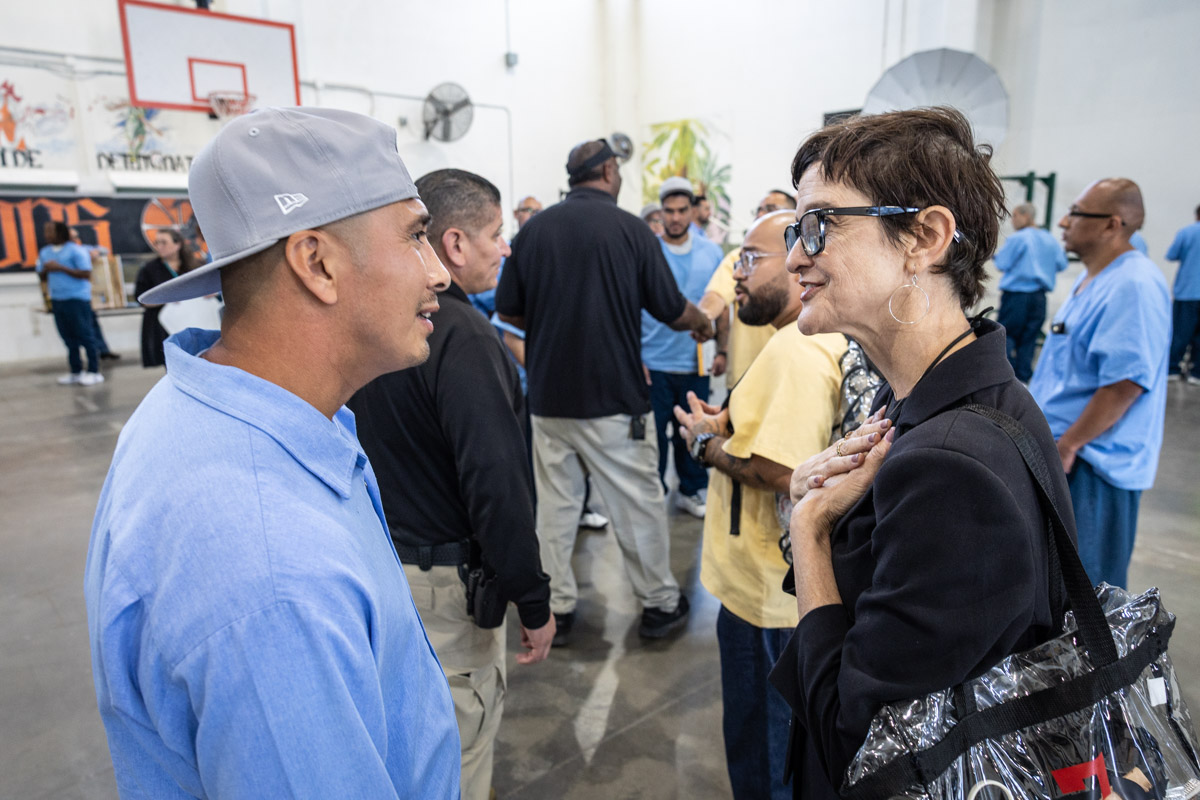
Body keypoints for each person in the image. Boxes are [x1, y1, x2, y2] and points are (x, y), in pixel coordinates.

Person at [84, 107, 460, 797]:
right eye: (415, 236)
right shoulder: (274, 571)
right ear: (317, 263)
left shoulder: (205, 408)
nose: (439, 272)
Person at [767, 107, 1071, 800]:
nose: (794, 258)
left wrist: (809, 530)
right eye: (793, 230)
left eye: (820, 224)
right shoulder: (933, 397)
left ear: (924, 238)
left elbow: (859, 742)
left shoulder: (950, 466)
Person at [349, 168, 553, 800]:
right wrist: (532, 598)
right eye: (496, 233)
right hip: (442, 589)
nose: (506, 248)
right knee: (456, 754)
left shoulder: (370, 322)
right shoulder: (463, 337)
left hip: (378, 565)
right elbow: (495, 483)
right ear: (457, 243)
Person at [495, 137, 712, 646]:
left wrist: (552, 326)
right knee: (638, 505)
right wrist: (702, 322)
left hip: (549, 401)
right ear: (610, 171)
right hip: (615, 401)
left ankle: (558, 609)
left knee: (555, 510)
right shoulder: (632, 230)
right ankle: (660, 604)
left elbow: (508, 310)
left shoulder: (534, 231)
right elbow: (669, 308)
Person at [673, 210, 845, 800]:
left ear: (799, 264)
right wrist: (727, 422)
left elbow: (783, 471)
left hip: (769, 599)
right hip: (772, 589)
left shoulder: (797, 351)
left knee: (765, 758)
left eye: (750, 259)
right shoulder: (796, 340)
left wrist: (705, 446)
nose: (737, 274)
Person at [1029, 178, 1170, 589]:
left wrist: (1070, 444)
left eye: (1075, 213)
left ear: (1112, 224)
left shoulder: (1133, 285)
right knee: (1054, 582)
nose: (1063, 222)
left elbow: (1125, 383)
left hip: (1094, 464)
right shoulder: (1095, 277)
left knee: (1087, 589)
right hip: (1064, 451)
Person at [642, 176, 723, 517]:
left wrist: (723, 349)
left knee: (692, 429)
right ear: (660, 212)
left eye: (681, 210)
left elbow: (723, 303)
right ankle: (655, 492)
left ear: (692, 211)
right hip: (653, 362)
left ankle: (691, 490)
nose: (674, 217)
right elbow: (629, 306)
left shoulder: (711, 252)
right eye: (668, 211)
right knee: (653, 436)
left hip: (695, 361)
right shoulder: (647, 251)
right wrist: (635, 358)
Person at [698, 190, 796, 385]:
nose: (760, 214)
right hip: (745, 373)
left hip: (789, 373)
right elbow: (717, 294)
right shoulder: (738, 258)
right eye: (758, 210)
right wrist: (703, 318)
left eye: (770, 209)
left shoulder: (804, 259)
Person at [993, 202, 1069, 381]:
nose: (1012, 221)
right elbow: (1062, 264)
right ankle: (1024, 377)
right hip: (1039, 298)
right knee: (1030, 338)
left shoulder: (1018, 239)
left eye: (1015, 216)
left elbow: (1002, 263)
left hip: (1016, 296)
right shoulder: (1050, 239)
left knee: (1007, 335)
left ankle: (1005, 377)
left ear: (1026, 216)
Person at [36, 221, 105, 386]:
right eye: (46, 231)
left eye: (50, 231)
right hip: (57, 299)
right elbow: (41, 276)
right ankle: (76, 371)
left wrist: (60, 267)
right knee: (68, 337)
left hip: (77, 299)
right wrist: (46, 269)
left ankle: (94, 371)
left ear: (61, 232)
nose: (47, 235)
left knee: (85, 335)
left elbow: (86, 273)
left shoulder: (76, 251)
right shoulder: (45, 252)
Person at [133, 229, 200, 367]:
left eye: (164, 242)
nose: (159, 246)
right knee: (171, 363)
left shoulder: (194, 265)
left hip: (192, 320)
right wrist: (166, 299)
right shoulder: (149, 269)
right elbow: (141, 298)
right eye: (157, 243)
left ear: (178, 244)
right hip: (164, 324)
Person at [69, 227, 120, 361]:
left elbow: (104, 250)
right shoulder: (66, 253)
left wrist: (94, 253)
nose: (74, 240)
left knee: (92, 324)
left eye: (75, 237)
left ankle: (102, 350)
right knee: (80, 328)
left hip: (88, 294)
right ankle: (89, 356)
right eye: (71, 237)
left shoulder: (82, 249)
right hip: (74, 296)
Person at [1165, 204, 1200, 383]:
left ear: (1197, 215)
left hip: (1187, 292)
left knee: (1180, 333)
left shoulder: (1186, 232)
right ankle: (1197, 373)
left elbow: (1171, 255)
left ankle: (1172, 368)